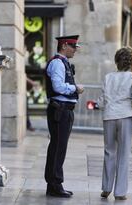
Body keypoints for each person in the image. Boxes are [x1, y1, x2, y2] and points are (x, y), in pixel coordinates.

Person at [96, 47, 132, 200]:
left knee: (109, 152)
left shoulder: (108, 77)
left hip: (109, 116)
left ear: (117, 61)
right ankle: (120, 192)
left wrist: (97, 105)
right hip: (126, 117)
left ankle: (106, 188)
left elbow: (102, 100)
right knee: (123, 154)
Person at [44, 35, 84, 198]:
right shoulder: (57, 63)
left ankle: (54, 183)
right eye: (73, 47)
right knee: (58, 147)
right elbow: (58, 86)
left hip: (64, 109)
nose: (75, 50)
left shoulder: (62, 62)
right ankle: (55, 184)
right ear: (64, 46)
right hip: (59, 110)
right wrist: (75, 88)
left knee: (58, 147)